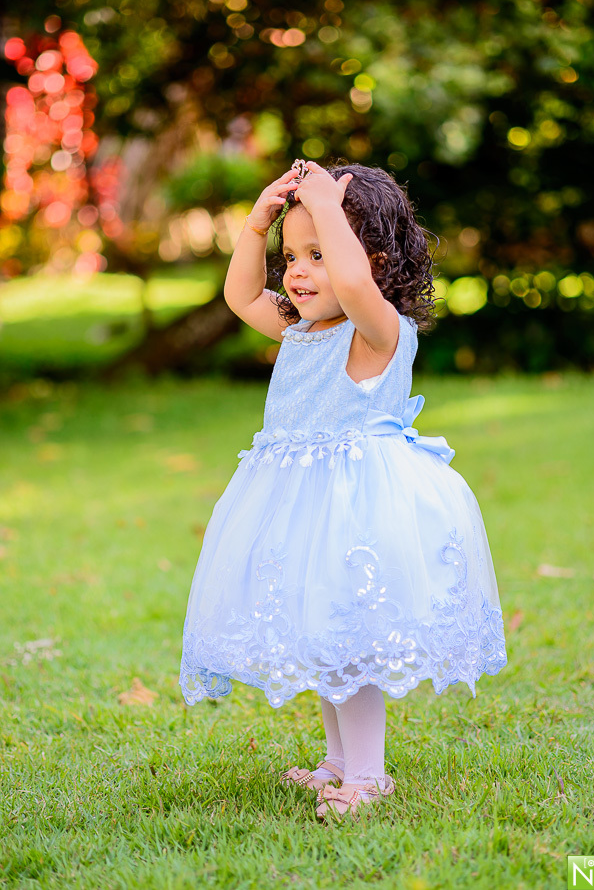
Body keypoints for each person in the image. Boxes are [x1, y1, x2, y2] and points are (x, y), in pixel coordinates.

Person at [179, 159, 507, 818]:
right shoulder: (301, 329)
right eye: (291, 257)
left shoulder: (377, 329)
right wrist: (256, 225)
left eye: (318, 255)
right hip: (300, 506)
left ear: (373, 261)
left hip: (355, 509)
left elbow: (353, 285)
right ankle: (336, 762)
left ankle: (367, 774)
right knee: (325, 635)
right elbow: (241, 297)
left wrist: (328, 204)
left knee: (350, 644)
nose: (296, 272)